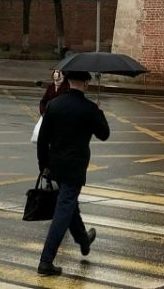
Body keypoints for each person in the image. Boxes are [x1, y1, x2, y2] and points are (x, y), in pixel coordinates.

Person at [36, 70, 109, 277]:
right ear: (86, 83)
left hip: (55, 166)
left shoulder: (54, 105)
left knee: (69, 204)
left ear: (68, 81)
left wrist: (43, 165)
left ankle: (84, 241)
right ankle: (46, 261)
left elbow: (42, 139)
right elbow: (104, 134)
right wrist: (99, 112)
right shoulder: (89, 108)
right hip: (75, 168)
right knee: (64, 208)